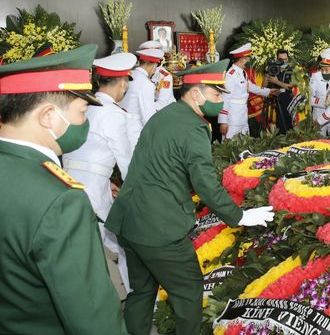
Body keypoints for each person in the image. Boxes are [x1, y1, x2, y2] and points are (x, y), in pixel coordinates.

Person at [105, 59, 274, 335]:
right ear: (196, 94)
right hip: (160, 229)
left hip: (130, 221)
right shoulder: (195, 128)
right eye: (217, 94)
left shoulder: (166, 114)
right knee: (188, 292)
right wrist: (240, 215)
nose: (220, 101)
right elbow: (204, 183)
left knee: (142, 292)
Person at [0, 45, 127, 334]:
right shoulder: (61, 200)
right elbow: (93, 318)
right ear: (48, 116)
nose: (85, 122)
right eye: (82, 111)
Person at [62, 51, 137, 293]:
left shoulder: (85, 106)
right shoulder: (114, 114)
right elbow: (127, 163)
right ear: (123, 83)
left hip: (70, 183)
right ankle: (124, 295)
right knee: (115, 245)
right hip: (94, 191)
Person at [218, 43, 279, 139]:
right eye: (247, 59)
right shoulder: (230, 75)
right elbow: (224, 99)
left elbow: (251, 87)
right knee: (229, 146)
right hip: (232, 119)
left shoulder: (242, 73)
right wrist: (223, 122)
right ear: (241, 59)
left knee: (244, 144)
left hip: (242, 116)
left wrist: (269, 91)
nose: (249, 61)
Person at [121, 46, 164, 147]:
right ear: (153, 65)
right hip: (135, 133)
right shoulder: (146, 83)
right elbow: (148, 116)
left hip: (123, 128)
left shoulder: (131, 75)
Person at [265, 48, 295, 134]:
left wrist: (276, 81)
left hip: (289, 100)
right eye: (281, 60)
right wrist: (267, 75)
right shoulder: (273, 68)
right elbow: (264, 87)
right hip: (277, 100)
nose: (283, 62)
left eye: (285, 59)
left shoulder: (292, 70)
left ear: (288, 58)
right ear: (277, 59)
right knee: (280, 125)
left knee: (289, 126)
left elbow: (291, 87)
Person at [141, 40, 176, 111]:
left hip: (167, 111)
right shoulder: (141, 74)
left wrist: (143, 107)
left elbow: (162, 103)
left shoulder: (165, 77)